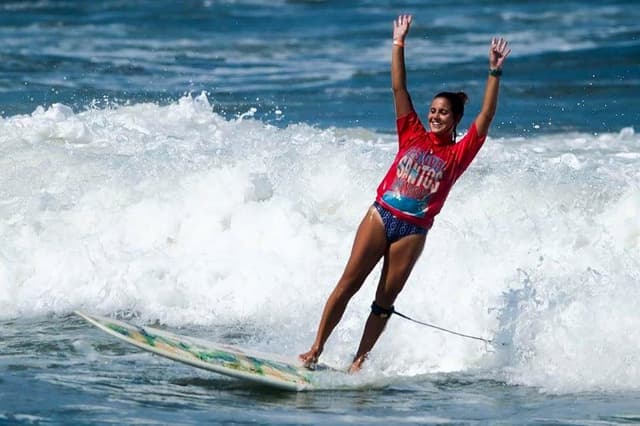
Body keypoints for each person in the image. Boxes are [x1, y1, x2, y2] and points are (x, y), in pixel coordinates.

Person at [299, 14, 511, 372]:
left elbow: (487, 115)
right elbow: (399, 89)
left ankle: (359, 361)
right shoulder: (411, 131)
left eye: (443, 113)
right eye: (432, 111)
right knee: (348, 283)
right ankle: (315, 348)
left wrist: (494, 72)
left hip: (412, 230)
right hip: (381, 215)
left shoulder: (459, 154)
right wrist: (398, 44)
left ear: (456, 118)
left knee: (384, 301)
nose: (435, 116)